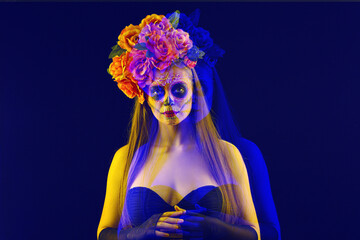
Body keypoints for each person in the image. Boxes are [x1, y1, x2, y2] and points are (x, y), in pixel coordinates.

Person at [97, 9, 280, 240]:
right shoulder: (128, 159)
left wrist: (215, 228)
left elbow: (267, 233)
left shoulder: (235, 154)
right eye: (158, 90)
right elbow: (105, 232)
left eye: (185, 88)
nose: (189, 100)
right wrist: (140, 233)